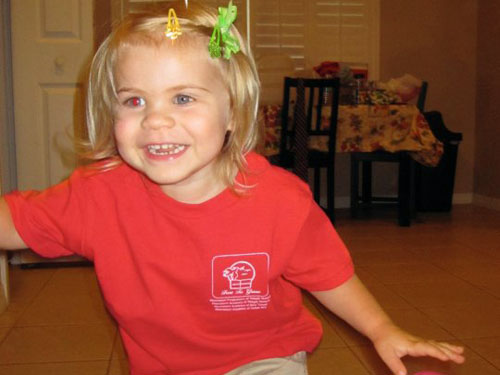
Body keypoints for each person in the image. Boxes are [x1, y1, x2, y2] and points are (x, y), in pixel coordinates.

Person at [0, 1, 464, 374]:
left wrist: (381, 328)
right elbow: (15, 224)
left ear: (232, 114)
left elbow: (329, 275)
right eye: (134, 100)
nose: (156, 119)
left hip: (264, 357)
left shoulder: (279, 200)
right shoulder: (98, 194)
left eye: (183, 98)